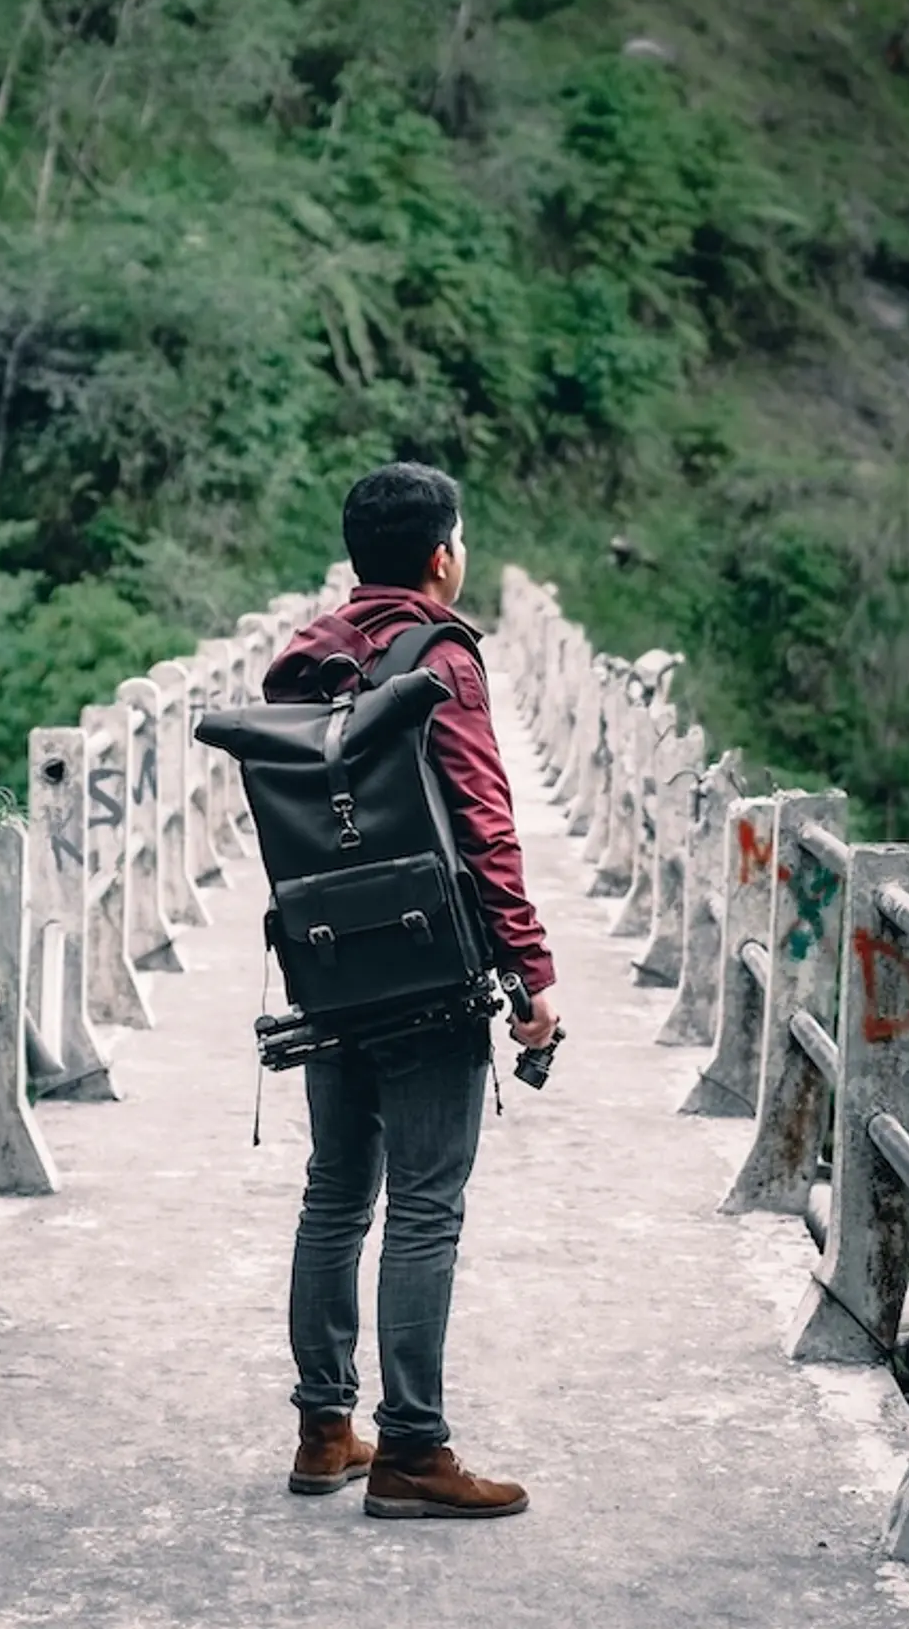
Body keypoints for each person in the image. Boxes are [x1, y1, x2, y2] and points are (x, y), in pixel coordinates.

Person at [259, 461, 560, 1520]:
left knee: (335, 1194)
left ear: (354, 558)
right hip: (428, 969)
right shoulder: (440, 655)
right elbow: (484, 821)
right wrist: (531, 971)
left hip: (328, 960)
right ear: (443, 557)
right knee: (425, 1207)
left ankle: (324, 1430)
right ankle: (414, 1453)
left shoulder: (303, 655)